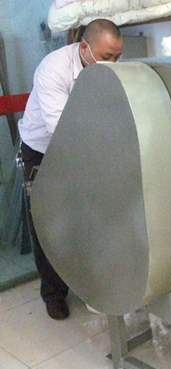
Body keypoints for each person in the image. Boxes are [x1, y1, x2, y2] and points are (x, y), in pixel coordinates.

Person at [18, 19, 123, 320]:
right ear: (85, 47)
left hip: (82, 146)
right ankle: (54, 294)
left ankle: (89, 285)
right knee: (48, 224)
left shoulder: (104, 68)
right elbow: (62, 128)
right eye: (106, 56)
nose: (113, 63)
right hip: (43, 151)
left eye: (117, 57)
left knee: (88, 218)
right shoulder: (53, 69)